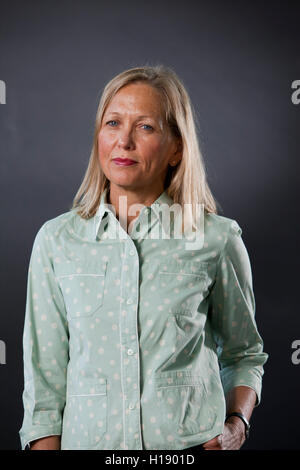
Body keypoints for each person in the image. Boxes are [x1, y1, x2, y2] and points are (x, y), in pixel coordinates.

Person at [19, 65, 268, 451]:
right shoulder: (57, 242)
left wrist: (237, 424)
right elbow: (44, 381)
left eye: (146, 127)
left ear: (176, 149)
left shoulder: (216, 239)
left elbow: (244, 353)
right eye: (113, 123)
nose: (124, 142)